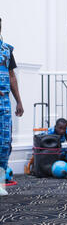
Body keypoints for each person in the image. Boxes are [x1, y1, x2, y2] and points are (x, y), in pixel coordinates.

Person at [0, 18, 24, 195]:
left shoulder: (7, 49)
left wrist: (19, 101)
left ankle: (0, 182)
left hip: (4, 104)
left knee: (4, 143)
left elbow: (11, 75)